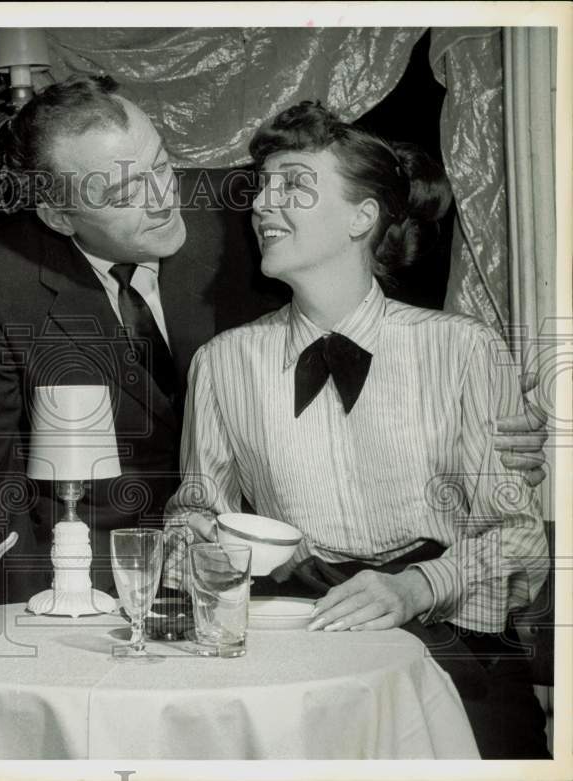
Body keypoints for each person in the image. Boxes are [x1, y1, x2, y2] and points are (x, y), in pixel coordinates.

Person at [0, 76, 546, 605]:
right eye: (123, 194)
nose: (161, 200)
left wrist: (499, 415)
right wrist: (37, 616)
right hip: (89, 566)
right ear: (58, 215)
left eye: (158, 165)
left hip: (269, 574)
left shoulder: (251, 214)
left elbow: (363, 298)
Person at [163, 101, 550, 758]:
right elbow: (192, 520)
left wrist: (416, 585)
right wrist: (198, 555)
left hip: (457, 656)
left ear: (361, 218)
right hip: (308, 659)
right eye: (260, 187)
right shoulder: (222, 364)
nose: (261, 204)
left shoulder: (466, 350)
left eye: (291, 185)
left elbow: (518, 539)